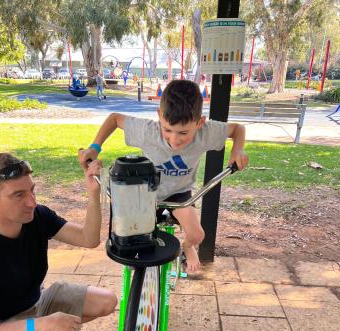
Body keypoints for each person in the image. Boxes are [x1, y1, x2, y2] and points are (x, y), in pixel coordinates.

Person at [0, 152, 117, 331]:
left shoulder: (37, 217)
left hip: (34, 304)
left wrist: (93, 192)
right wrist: (44, 326)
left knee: (107, 301)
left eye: (31, 190)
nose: (31, 202)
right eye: (18, 195)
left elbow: (88, 239)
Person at [78, 79, 249, 273]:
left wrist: (238, 151)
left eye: (183, 133)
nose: (174, 140)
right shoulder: (149, 131)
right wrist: (94, 148)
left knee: (197, 234)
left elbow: (237, 129)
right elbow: (115, 119)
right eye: (167, 130)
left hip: (179, 194)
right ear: (159, 116)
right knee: (129, 239)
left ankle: (187, 247)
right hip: (145, 193)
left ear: (200, 123)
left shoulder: (206, 133)